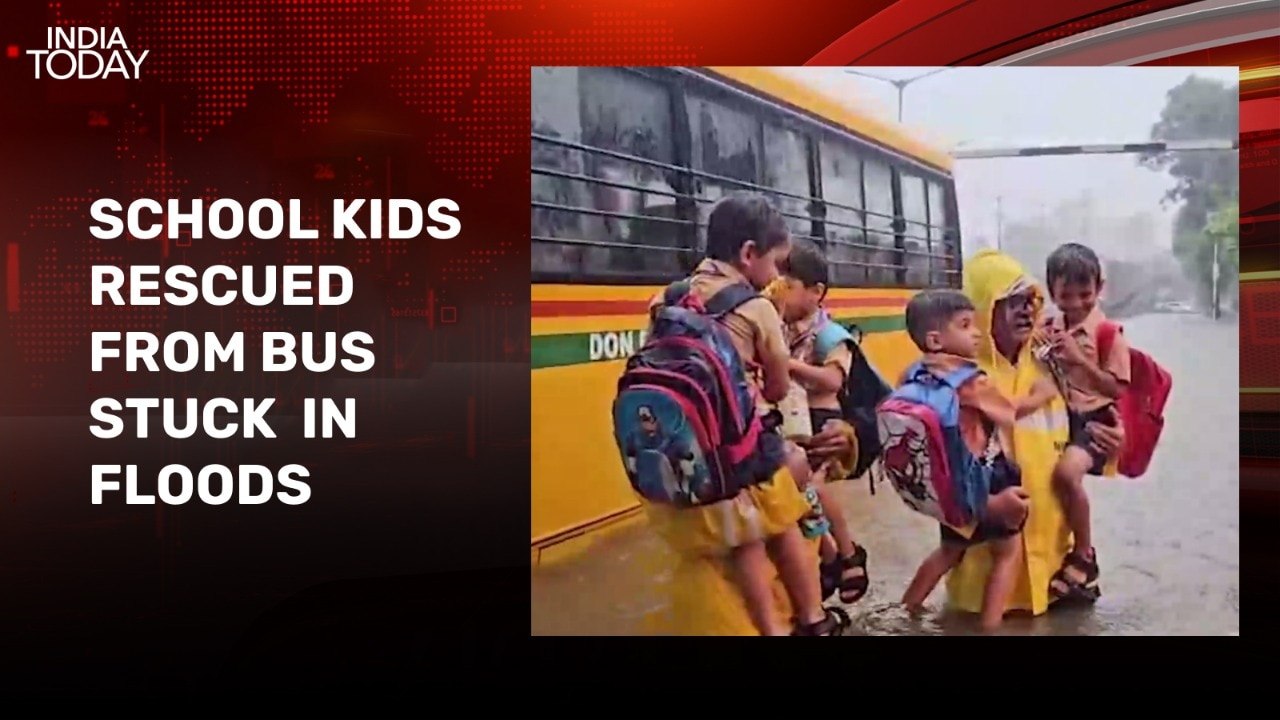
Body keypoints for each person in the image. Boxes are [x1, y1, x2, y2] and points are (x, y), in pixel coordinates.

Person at [642, 192, 846, 637]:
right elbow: (777, 388)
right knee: (783, 513)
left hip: (682, 446)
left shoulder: (667, 298)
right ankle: (813, 617)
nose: (777, 276)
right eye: (777, 264)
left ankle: (770, 627)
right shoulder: (757, 308)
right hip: (738, 447)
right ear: (749, 254)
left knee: (744, 535)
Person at [943, 249, 1125, 618]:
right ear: (984, 309)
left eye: (1031, 300)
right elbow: (929, 470)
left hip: (1058, 579)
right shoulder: (956, 377)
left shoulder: (1049, 361)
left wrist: (1118, 436)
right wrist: (985, 506)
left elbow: (1094, 406)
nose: (1026, 310)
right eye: (1012, 302)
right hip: (985, 588)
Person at [894, 290, 1058, 630]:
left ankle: (906, 609)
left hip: (947, 479)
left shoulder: (912, 374)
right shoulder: (970, 380)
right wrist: (1040, 395)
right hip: (985, 476)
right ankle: (990, 626)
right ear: (935, 340)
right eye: (965, 325)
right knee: (1008, 552)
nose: (977, 333)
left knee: (949, 551)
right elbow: (1009, 412)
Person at [771, 239, 871, 605]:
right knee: (799, 493)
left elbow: (831, 381)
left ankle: (847, 552)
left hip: (822, 421)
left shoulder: (831, 335)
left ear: (816, 292)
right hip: (790, 422)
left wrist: (787, 364)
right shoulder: (774, 326)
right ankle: (828, 552)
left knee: (815, 487)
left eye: (787, 285)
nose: (777, 291)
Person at [1037, 243, 1130, 602]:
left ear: (1099, 288)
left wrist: (1079, 360)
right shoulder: (1049, 326)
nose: (1075, 303)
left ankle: (1083, 554)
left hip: (1095, 419)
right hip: (1061, 417)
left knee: (1065, 476)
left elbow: (1116, 389)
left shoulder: (1108, 334)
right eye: (1065, 295)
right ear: (1051, 291)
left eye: (1085, 294)